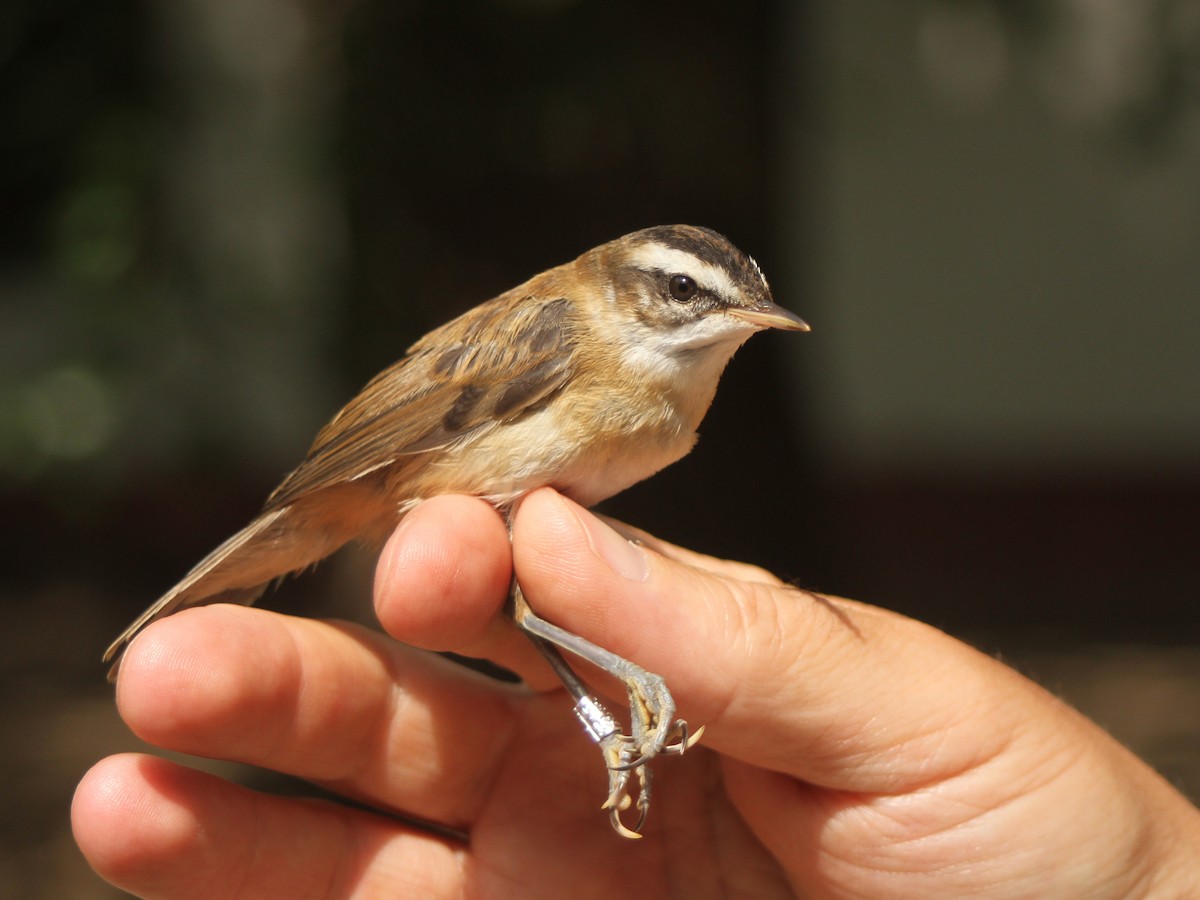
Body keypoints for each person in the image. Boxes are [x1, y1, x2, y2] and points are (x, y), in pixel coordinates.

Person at [73, 488, 1200, 897]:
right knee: (509, 577)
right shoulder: (569, 339)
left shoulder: (679, 414)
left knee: (517, 581)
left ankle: (610, 717)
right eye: (678, 298)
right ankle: (611, 716)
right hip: (428, 483)